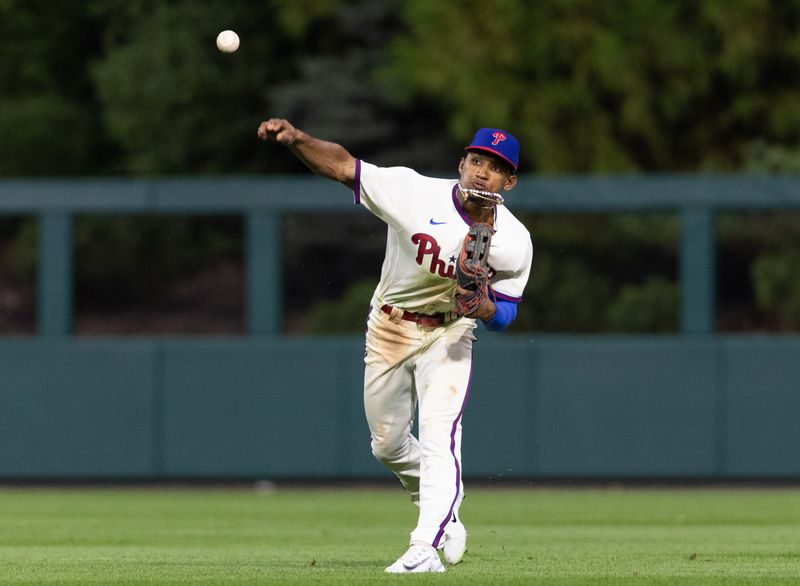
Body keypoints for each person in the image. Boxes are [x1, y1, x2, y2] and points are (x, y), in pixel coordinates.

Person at [257, 119, 533, 573]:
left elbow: (506, 314)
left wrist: (482, 307)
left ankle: (424, 546)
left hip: (450, 332)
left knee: (440, 437)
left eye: (497, 168)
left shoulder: (515, 241)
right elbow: (345, 167)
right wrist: (299, 140)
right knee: (386, 445)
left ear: (510, 181)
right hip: (390, 325)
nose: (484, 173)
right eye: (478, 160)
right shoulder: (414, 192)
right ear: (462, 163)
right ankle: (442, 503)